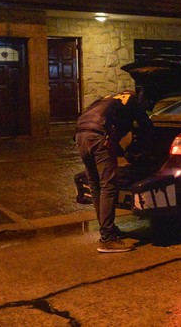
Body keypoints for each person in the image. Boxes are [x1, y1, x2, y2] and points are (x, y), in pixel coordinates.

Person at [74, 89, 156, 253]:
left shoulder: (108, 98)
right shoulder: (133, 101)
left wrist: (124, 152)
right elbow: (147, 128)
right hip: (100, 136)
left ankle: (107, 228)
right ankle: (107, 238)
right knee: (108, 185)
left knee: (95, 185)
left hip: (81, 134)